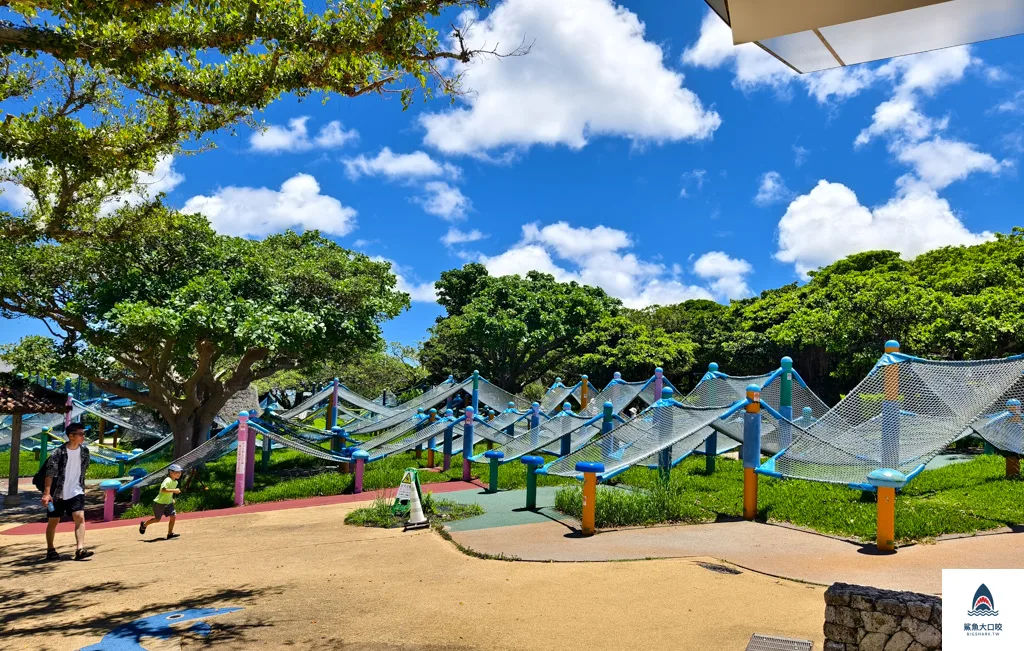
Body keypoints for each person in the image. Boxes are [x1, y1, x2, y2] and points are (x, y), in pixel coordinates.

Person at [41, 422, 92, 561]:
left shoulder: (85, 451)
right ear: (71, 436)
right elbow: (49, 473)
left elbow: (84, 469)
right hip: (57, 492)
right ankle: (50, 549)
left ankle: (80, 549)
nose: (83, 436)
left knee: (79, 517)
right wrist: (47, 493)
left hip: (76, 490)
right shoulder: (58, 453)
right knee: (53, 521)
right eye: (81, 434)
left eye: (83, 433)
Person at [139, 464, 182, 539]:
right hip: (160, 503)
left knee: (173, 516)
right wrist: (174, 490)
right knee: (157, 519)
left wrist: (171, 498)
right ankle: (144, 525)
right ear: (171, 473)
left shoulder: (175, 482)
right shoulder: (167, 480)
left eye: (180, 472)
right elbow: (163, 489)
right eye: (176, 472)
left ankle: (170, 534)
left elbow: (169, 492)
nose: (179, 474)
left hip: (168, 503)